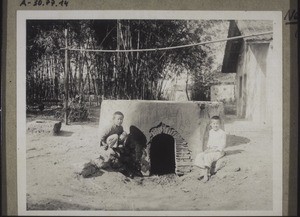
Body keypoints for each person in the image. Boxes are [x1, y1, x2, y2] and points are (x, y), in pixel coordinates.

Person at [194, 116, 226, 182]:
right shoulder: (211, 132)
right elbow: (210, 142)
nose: (215, 125)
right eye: (214, 124)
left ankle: (206, 175)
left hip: (218, 151)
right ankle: (203, 171)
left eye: (217, 123)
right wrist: (208, 149)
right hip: (211, 149)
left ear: (220, 124)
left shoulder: (222, 133)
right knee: (200, 155)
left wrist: (214, 150)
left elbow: (223, 144)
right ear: (211, 124)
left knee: (207, 156)